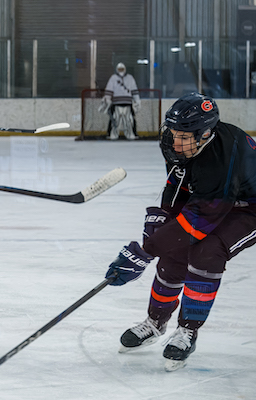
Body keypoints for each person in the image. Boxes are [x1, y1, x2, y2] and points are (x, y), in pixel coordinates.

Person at [105, 92, 256, 371]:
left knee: (206, 252)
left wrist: (145, 251)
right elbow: (179, 185)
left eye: (183, 136)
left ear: (206, 134)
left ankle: (188, 330)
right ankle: (155, 322)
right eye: (172, 132)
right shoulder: (183, 144)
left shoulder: (222, 159)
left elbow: (200, 221)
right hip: (214, 200)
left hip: (248, 209)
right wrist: (163, 219)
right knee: (172, 250)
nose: (175, 141)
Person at [100, 62, 141, 140]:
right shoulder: (113, 78)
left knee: (129, 120)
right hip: (116, 103)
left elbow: (134, 90)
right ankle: (112, 134)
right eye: (119, 69)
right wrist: (107, 99)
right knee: (115, 119)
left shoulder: (130, 78)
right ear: (117, 69)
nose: (121, 70)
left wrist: (137, 100)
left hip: (128, 103)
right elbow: (109, 89)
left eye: (122, 69)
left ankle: (131, 134)